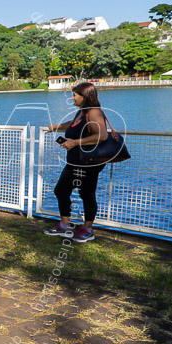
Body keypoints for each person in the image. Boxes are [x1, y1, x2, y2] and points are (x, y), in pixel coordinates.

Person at [44, 82, 108, 243]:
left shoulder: (94, 112)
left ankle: (87, 229)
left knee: (86, 194)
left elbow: (102, 136)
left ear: (84, 96)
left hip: (89, 162)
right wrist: (57, 127)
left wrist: (75, 142)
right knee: (61, 190)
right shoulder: (82, 111)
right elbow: (73, 125)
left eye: (75, 95)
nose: (72, 97)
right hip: (75, 161)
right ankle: (65, 225)